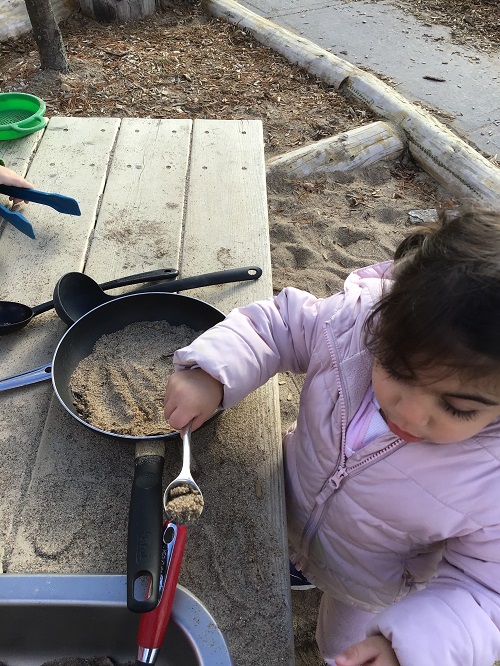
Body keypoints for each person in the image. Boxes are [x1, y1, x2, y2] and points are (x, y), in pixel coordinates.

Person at [164, 207, 500, 666]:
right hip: (292, 501)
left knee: (342, 646)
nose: (410, 411)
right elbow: (278, 327)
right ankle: (297, 567)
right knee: (280, 548)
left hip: (371, 584)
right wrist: (211, 372)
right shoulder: (356, 324)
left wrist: (407, 648)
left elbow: (485, 592)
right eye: (398, 370)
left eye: (458, 407)